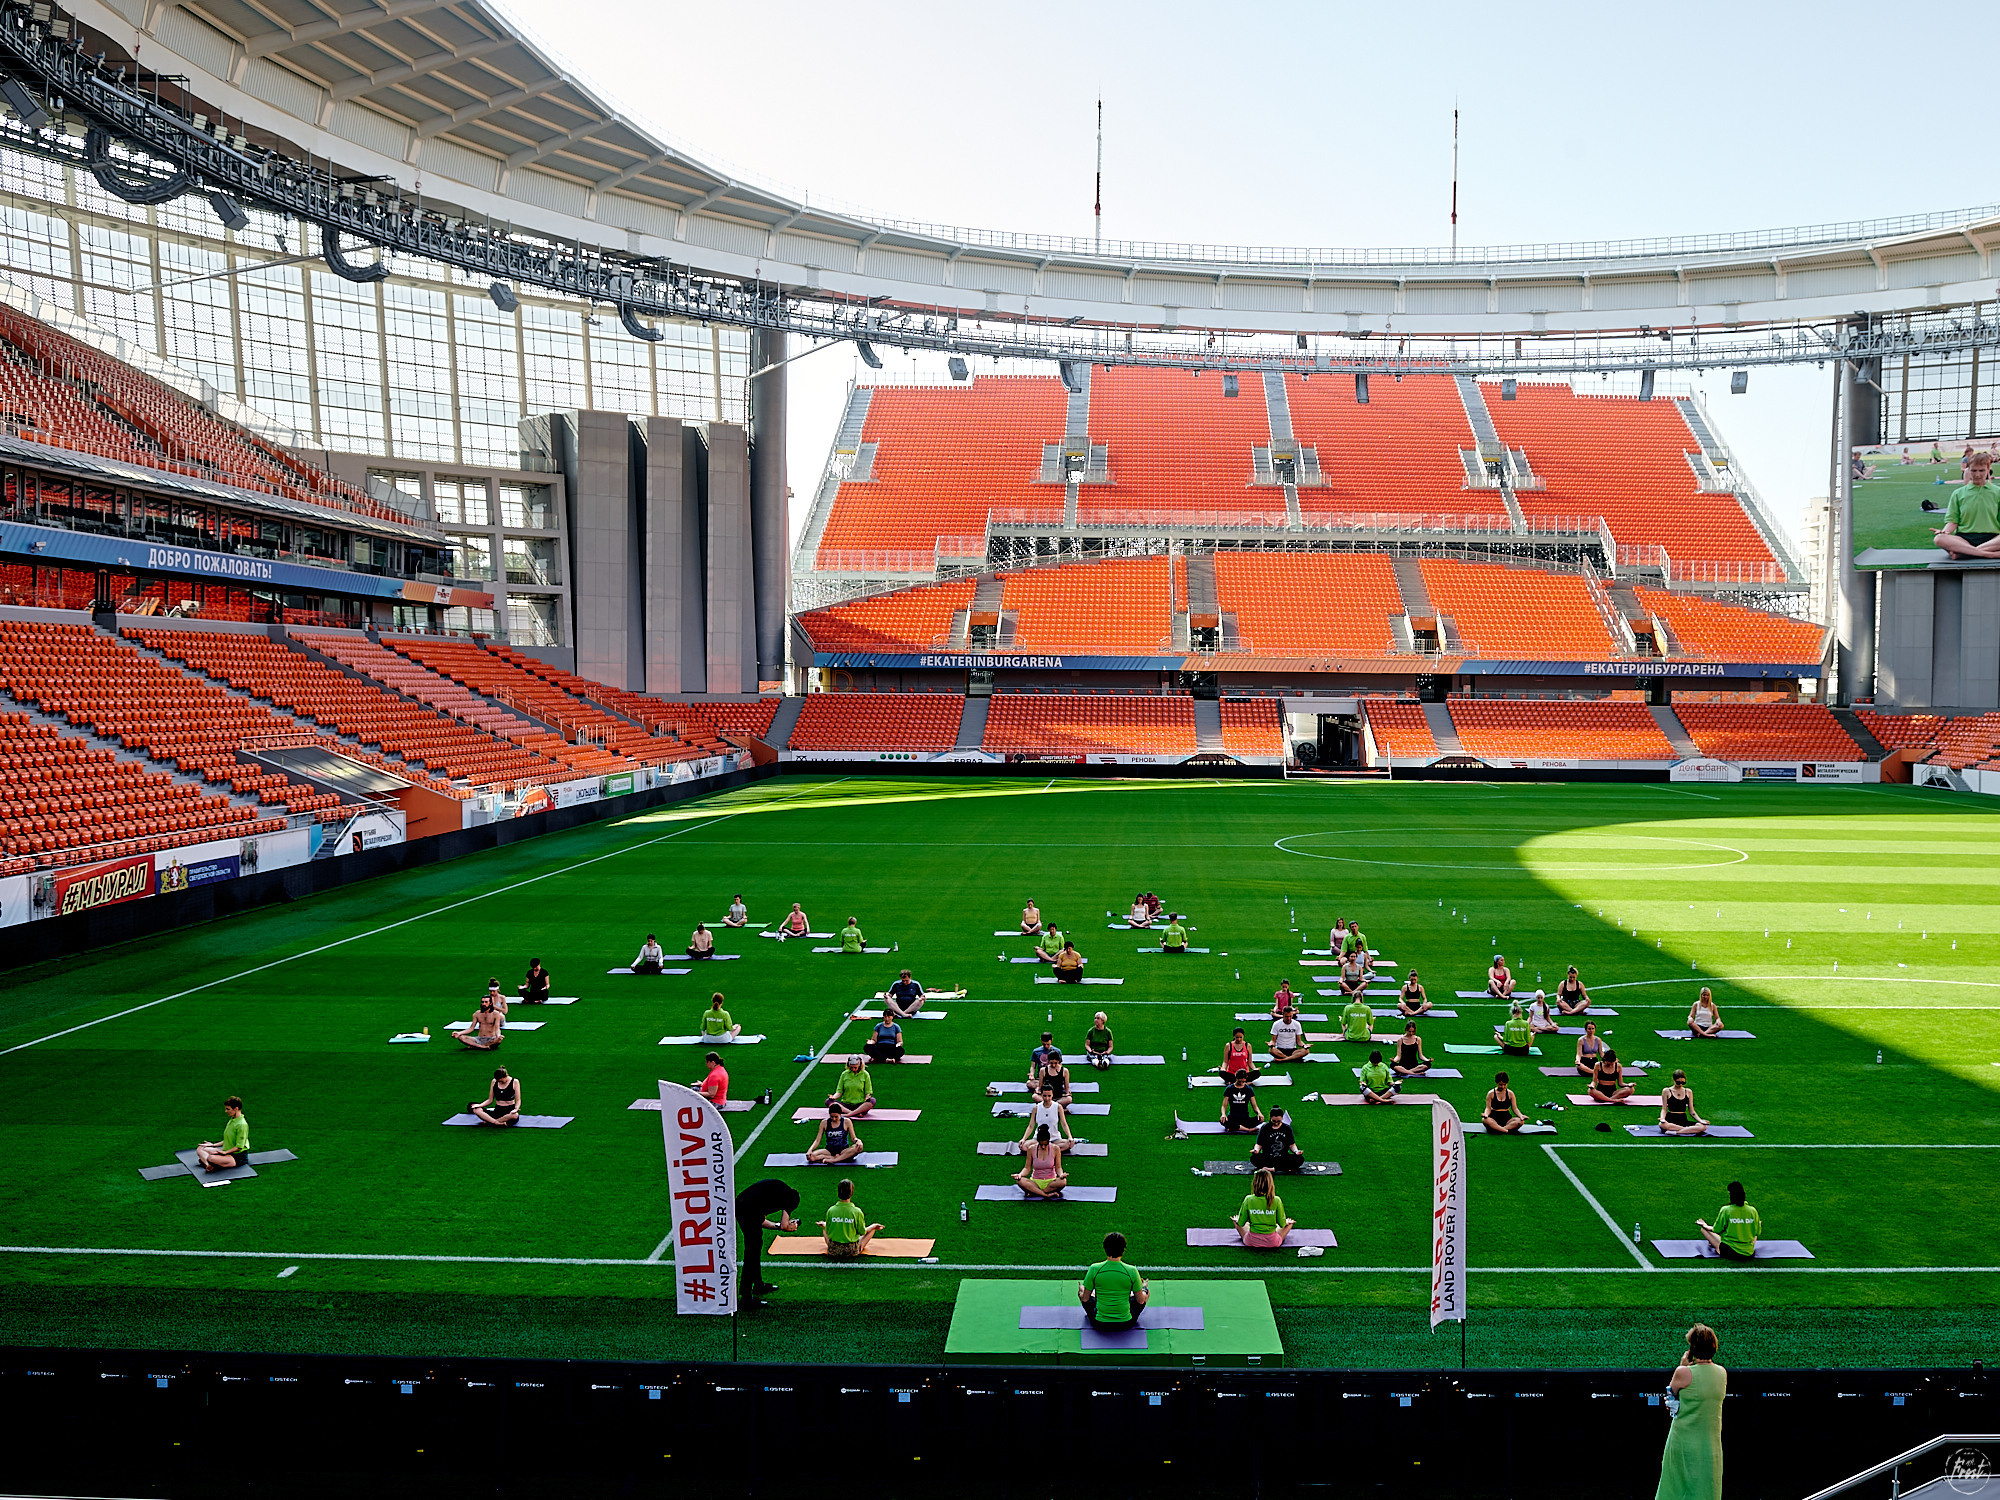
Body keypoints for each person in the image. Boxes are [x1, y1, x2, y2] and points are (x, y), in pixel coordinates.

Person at [1655, 1323, 1727, 1500]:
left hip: (1683, 1443)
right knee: (1707, 1489)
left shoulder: (1683, 1373)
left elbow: (1671, 1399)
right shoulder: (1722, 1373)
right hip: (1710, 1446)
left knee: (1675, 1489)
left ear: (1692, 1349)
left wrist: (1682, 1365)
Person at [736, 1177, 801, 1305]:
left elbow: (760, 1220)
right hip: (746, 1209)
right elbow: (784, 1225)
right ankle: (746, 1297)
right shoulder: (789, 1199)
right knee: (752, 1251)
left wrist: (777, 1226)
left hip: (743, 1206)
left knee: (755, 1246)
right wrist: (789, 1227)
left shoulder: (774, 1195)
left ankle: (758, 1285)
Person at [1931, 450, 2000, 559]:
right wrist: (1945, 531)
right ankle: (1988, 554)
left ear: (1988, 469)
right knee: (1939, 539)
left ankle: (1965, 552)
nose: (1977, 475)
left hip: (1993, 539)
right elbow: (1953, 521)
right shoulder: (1958, 493)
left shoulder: (1997, 492)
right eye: (1974, 471)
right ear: (1968, 470)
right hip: (1964, 539)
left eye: (1981, 470)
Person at [1078, 1231, 1148, 1330]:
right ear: (1123, 1249)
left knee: (1082, 1291)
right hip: (1126, 1323)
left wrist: (1083, 1290)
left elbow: (1085, 1299)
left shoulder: (1094, 1268)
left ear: (1105, 1248)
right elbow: (1140, 1301)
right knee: (1145, 1293)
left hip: (1099, 1323)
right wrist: (1143, 1288)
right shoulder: (1131, 1270)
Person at [1234, 1166, 1295, 1249]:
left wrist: (1237, 1220)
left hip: (1251, 1241)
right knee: (1289, 1224)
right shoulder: (1276, 1200)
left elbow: (1241, 1223)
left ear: (1254, 1183)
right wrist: (1287, 1222)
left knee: (1238, 1222)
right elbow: (1282, 1224)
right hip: (1272, 1241)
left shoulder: (1248, 1199)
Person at [1698, 1183, 1760, 1261]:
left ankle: (1715, 1245)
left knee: (1704, 1230)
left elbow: (1717, 1229)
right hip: (1749, 1253)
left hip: (1730, 1252)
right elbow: (1757, 1232)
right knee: (1754, 1235)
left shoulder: (1726, 1210)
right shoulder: (1752, 1211)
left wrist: (1705, 1226)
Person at [821, 1178, 881, 1257]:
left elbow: (828, 1231)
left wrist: (824, 1225)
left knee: (824, 1228)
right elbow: (862, 1232)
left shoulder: (831, 1210)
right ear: (852, 1192)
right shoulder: (857, 1211)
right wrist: (873, 1226)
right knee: (871, 1230)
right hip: (852, 1250)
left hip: (833, 1250)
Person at [195, 1095, 250, 1172]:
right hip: (226, 1152)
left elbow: (239, 1147)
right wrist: (212, 1145)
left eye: (228, 1109)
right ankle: (209, 1165)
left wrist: (225, 1152)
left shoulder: (242, 1125)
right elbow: (228, 1140)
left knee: (211, 1158)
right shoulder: (232, 1120)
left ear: (236, 1109)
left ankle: (211, 1163)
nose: (226, 1111)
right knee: (200, 1149)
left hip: (237, 1157)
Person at [1014, 1124, 1069, 1199]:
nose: (1043, 1147)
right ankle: (1046, 1194)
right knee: (1020, 1181)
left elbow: (1058, 1167)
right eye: (1041, 1144)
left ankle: (1035, 1192)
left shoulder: (1055, 1149)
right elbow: (1027, 1168)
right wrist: (1020, 1175)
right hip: (1035, 1182)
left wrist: (1061, 1175)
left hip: (1051, 1182)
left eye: (1045, 1144)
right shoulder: (1031, 1149)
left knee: (1063, 1181)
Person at [1019, 1081, 1075, 1152]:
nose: (1047, 1098)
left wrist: (1070, 1137)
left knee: (1068, 1144)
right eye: (1045, 1096)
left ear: (1052, 1095)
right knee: (1023, 1146)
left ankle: (1043, 1149)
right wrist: (1023, 1139)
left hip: (1055, 1139)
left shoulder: (1058, 1107)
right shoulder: (1036, 1108)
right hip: (1038, 1139)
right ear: (1041, 1095)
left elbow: (1064, 1124)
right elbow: (1031, 1126)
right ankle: (1049, 1149)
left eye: (1049, 1096)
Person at [1251, 1106, 1305, 1175]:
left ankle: (1272, 1169)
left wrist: (1296, 1151)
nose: (1276, 1123)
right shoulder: (1265, 1128)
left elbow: (1292, 1145)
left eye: (1278, 1121)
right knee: (1254, 1158)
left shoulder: (1287, 1128)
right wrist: (1256, 1150)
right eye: (1274, 1121)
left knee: (1299, 1159)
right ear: (1270, 1118)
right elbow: (1259, 1144)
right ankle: (1282, 1168)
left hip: (1283, 1158)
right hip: (1268, 1157)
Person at [1659, 1069, 1709, 1136]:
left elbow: (1692, 1111)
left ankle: (1676, 1132)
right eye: (1678, 1082)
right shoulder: (1666, 1091)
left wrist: (1700, 1120)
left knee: (1703, 1126)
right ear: (1673, 1080)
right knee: (1662, 1125)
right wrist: (1662, 1118)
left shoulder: (1688, 1091)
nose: (1680, 1085)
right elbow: (1664, 1109)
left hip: (1683, 1119)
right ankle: (1688, 1130)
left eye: (1683, 1083)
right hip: (1671, 1119)